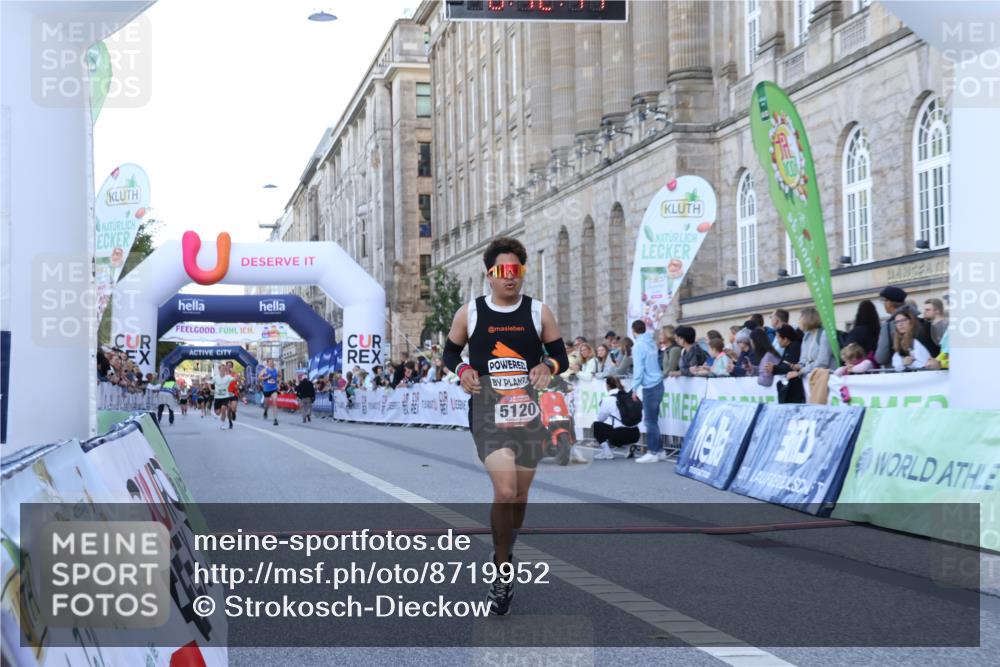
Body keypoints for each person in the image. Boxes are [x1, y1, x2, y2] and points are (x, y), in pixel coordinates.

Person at [441, 237, 568, 616]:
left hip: (529, 413)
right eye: (502, 271)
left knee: (520, 497)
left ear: (522, 274)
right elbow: (450, 352)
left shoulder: (538, 312)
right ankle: (502, 568)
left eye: (516, 271)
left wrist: (548, 366)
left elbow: (560, 355)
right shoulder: (471, 313)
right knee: (506, 487)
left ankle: (506, 548)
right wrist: (462, 369)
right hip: (488, 412)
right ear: (490, 275)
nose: (510, 278)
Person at [630, 319, 665, 463]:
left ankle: (653, 451)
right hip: (658, 382)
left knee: (650, 421)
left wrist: (634, 388)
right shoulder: (651, 342)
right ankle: (660, 450)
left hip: (649, 385)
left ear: (634, 331)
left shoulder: (638, 345)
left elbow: (639, 368)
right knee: (653, 420)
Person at [590, 376, 641, 460]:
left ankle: (607, 452)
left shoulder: (607, 399)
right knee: (622, 426)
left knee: (595, 425)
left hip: (618, 436)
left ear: (607, 385)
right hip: (635, 434)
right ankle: (629, 446)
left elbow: (601, 419)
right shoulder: (628, 396)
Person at [787, 307, 835, 381]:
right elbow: (803, 360)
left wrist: (802, 371)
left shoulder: (824, 334)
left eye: (800, 318)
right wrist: (799, 366)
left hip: (826, 379)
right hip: (812, 378)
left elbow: (822, 362)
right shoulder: (806, 336)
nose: (798, 321)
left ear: (808, 319)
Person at [212, 363, 234, 430]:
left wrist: (238, 378)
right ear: (219, 369)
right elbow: (210, 384)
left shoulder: (228, 377)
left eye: (224, 369)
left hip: (225, 396)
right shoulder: (215, 377)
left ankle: (222, 424)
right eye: (222, 369)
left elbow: (235, 379)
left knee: (224, 409)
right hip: (217, 397)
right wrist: (211, 390)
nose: (223, 370)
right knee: (218, 413)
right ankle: (215, 413)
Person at [259, 359, 280, 426]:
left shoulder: (276, 370)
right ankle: (265, 411)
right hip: (267, 389)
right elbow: (259, 377)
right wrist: (266, 377)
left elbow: (280, 377)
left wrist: (278, 382)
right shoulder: (265, 370)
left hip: (274, 389)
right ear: (267, 363)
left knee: (275, 402)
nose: (272, 363)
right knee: (266, 404)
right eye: (270, 362)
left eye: (272, 362)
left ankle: (275, 419)